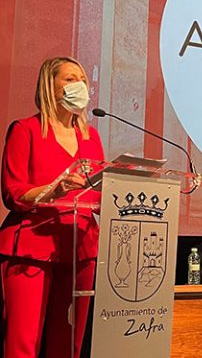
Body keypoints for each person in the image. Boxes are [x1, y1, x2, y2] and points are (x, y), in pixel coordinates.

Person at [1, 57, 104, 357]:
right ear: (50, 85)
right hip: (32, 247)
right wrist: (53, 190)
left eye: (82, 79)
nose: (80, 85)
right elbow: (13, 191)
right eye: (70, 79)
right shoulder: (25, 130)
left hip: (81, 249)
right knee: (24, 342)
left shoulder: (91, 136)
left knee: (69, 344)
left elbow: (96, 191)